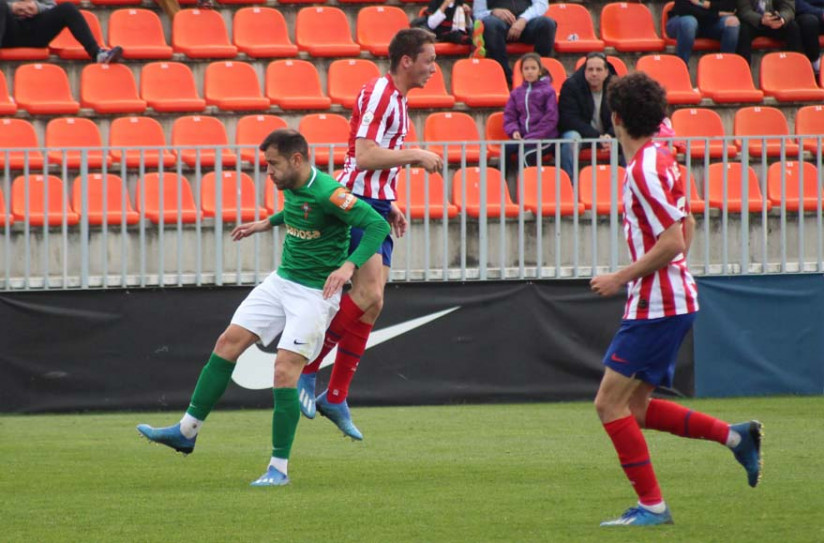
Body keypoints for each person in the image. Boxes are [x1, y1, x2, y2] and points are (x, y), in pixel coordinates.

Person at [136, 129, 390, 487]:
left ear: (297, 160)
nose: (268, 171)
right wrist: (265, 223)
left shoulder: (331, 193)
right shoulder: (291, 188)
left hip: (313, 294)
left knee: (285, 369)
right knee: (227, 343)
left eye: (273, 164)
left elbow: (376, 224)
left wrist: (349, 265)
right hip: (281, 282)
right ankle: (186, 431)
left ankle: (279, 469)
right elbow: (298, 212)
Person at [589, 72, 762, 526]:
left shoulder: (645, 168)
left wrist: (619, 277)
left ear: (616, 118)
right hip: (670, 296)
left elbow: (673, 241)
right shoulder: (660, 155)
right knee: (637, 409)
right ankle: (736, 438)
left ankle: (652, 507)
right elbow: (688, 226)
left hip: (657, 302)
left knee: (609, 405)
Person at [296, 28, 444, 441]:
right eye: (429, 60)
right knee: (368, 296)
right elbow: (363, 155)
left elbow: (368, 161)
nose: (434, 68)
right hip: (357, 204)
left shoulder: (396, 98)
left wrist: (390, 201)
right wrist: (416, 154)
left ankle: (336, 395)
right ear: (406, 61)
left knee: (372, 306)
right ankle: (307, 370)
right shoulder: (381, 92)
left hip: (374, 203)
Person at [558, 52, 618, 184]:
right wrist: (597, 137)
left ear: (606, 72)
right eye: (590, 69)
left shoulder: (618, 88)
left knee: (631, 139)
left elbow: (624, 116)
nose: (594, 73)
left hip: (610, 136)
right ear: (584, 71)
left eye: (598, 69)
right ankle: (569, 188)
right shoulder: (571, 86)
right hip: (582, 134)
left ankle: (629, 188)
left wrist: (610, 134)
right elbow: (568, 119)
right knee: (570, 140)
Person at [0, 0, 122, 63]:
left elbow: (51, 6)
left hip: (35, 30)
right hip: (7, 31)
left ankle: (97, 54)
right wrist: (12, 7)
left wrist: (37, 7)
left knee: (67, 8)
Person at [472, 0, 557, 86]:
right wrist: (493, 12)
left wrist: (523, 19)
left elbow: (541, 4)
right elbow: (478, 14)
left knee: (547, 24)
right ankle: (505, 75)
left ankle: (538, 71)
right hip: (499, 27)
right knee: (490, 24)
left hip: (526, 24)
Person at [502, 53, 558, 181]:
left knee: (525, 154)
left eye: (533, 68)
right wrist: (514, 131)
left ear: (539, 71)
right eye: (526, 69)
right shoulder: (516, 93)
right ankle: (502, 186)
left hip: (544, 139)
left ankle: (528, 190)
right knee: (506, 148)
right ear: (521, 72)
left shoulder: (548, 91)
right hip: (523, 137)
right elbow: (510, 116)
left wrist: (530, 138)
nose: (530, 72)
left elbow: (550, 118)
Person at [666, 0, 740, 66]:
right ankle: (681, 67)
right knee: (690, 22)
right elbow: (685, 8)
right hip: (682, 19)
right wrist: (716, 13)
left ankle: (725, 68)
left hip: (709, 22)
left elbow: (731, 7)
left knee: (732, 22)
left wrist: (704, 3)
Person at [736, 0, 803, 65]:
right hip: (754, 22)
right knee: (743, 30)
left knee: (793, 27)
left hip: (776, 21)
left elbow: (788, 8)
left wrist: (782, 19)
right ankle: (743, 69)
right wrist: (761, 19)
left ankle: (795, 66)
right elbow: (744, 11)